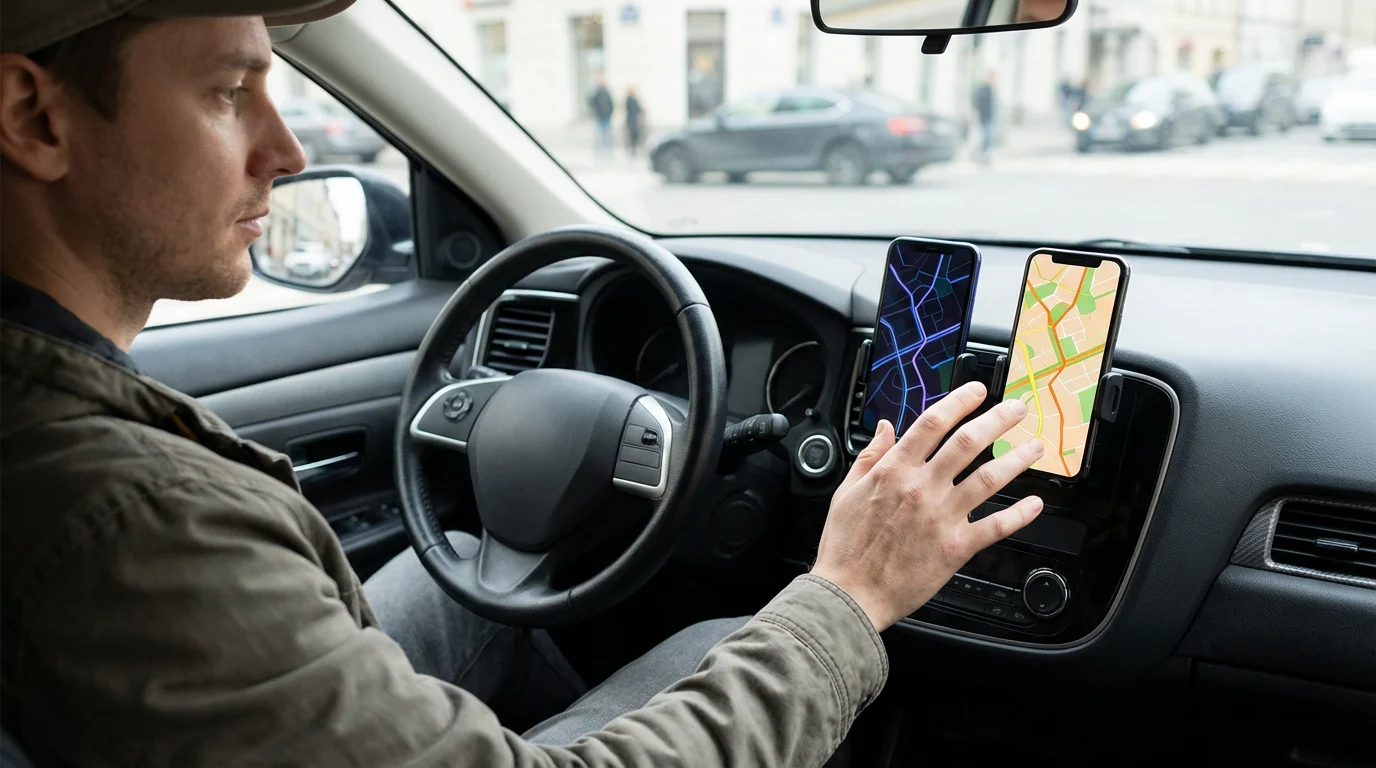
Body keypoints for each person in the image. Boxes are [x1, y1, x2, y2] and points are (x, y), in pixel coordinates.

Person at [0, 3, 1046, 766]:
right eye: (229, 94)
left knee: (467, 568)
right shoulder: (128, 521)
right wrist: (852, 594)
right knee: (730, 641)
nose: (282, 150)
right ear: (33, 118)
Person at [973, 71, 998, 164]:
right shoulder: (984, 89)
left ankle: (984, 155)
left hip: (990, 117)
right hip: (984, 117)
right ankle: (982, 154)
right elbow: (979, 103)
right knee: (987, 137)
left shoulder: (992, 89)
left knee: (989, 137)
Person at [589, 74, 615, 160]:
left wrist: (610, 112)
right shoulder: (597, 93)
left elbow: (611, 104)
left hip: (607, 116)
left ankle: (608, 151)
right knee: (599, 135)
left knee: (608, 135)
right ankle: (599, 151)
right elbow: (592, 102)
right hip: (600, 116)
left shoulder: (607, 93)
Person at [625, 87, 646, 157]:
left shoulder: (634, 99)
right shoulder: (629, 100)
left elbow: (638, 108)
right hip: (632, 121)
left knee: (636, 137)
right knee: (632, 137)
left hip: (635, 122)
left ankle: (636, 151)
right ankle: (632, 151)